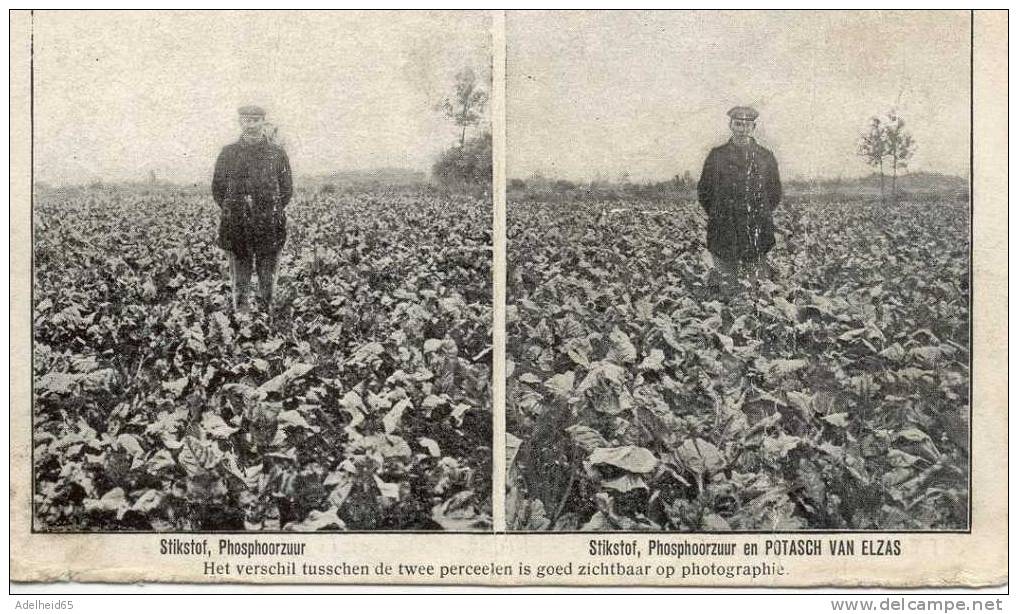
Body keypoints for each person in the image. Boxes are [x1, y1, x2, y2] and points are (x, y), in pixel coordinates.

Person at [212, 105, 292, 313]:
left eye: (256, 120)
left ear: (263, 122)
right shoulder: (228, 154)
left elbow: (286, 190)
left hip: (269, 226)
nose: (252, 124)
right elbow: (218, 189)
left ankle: (264, 318)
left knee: (267, 278)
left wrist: (268, 210)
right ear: (241, 122)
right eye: (247, 120)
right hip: (237, 226)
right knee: (240, 279)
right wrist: (236, 210)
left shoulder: (277, 154)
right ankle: (242, 318)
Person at [697, 105, 782, 289]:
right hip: (724, 229)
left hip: (756, 229)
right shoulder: (717, 156)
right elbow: (704, 191)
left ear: (753, 128)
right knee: (726, 285)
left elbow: (774, 193)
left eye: (747, 125)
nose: (742, 129)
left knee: (756, 287)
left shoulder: (765, 157)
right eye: (738, 124)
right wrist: (719, 213)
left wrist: (759, 213)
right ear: (731, 125)